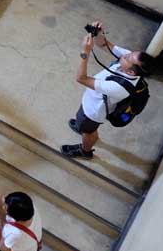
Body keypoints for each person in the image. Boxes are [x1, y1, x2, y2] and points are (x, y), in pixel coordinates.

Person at [61, 20, 153, 159]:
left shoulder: (120, 88)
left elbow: (81, 78)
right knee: (84, 125)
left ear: (131, 72)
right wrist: (99, 34)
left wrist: (85, 52)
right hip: (91, 100)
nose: (125, 54)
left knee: (88, 131)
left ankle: (85, 150)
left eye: (128, 57)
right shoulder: (131, 64)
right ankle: (83, 128)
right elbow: (104, 44)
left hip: (93, 112)